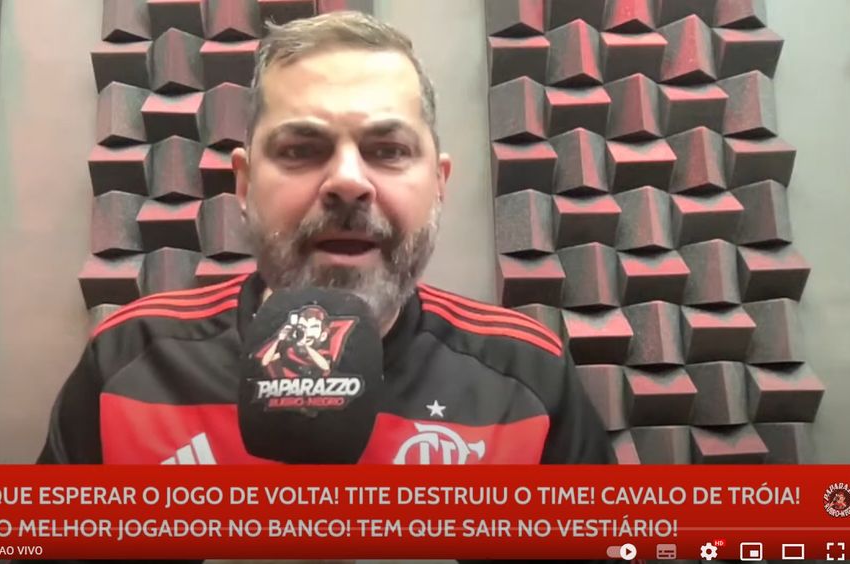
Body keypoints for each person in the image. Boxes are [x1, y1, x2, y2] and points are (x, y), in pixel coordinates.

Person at [33, 9, 612, 563]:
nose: (347, 181)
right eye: (301, 151)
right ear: (244, 185)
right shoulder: (129, 363)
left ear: (439, 183)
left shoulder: (527, 378)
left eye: (388, 150)